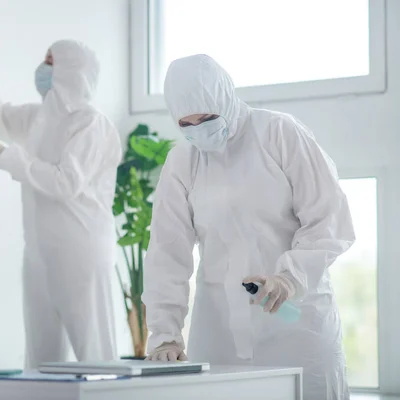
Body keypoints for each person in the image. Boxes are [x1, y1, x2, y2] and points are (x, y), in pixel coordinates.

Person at [142, 54, 355, 399]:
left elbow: (329, 218)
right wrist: (165, 333)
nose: (200, 130)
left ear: (226, 99)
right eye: (187, 124)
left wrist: (289, 277)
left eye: (208, 118)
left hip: (294, 323)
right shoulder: (183, 161)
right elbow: (167, 251)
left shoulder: (279, 134)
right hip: (218, 331)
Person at [0, 40, 121, 368]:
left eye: (51, 61)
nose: (43, 68)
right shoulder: (39, 118)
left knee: (95, 357)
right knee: (41, 358)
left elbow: (65, 182)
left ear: (71, 70)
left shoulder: (90, 124)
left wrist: (5, 155)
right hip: (39, 252)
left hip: (81, 252)